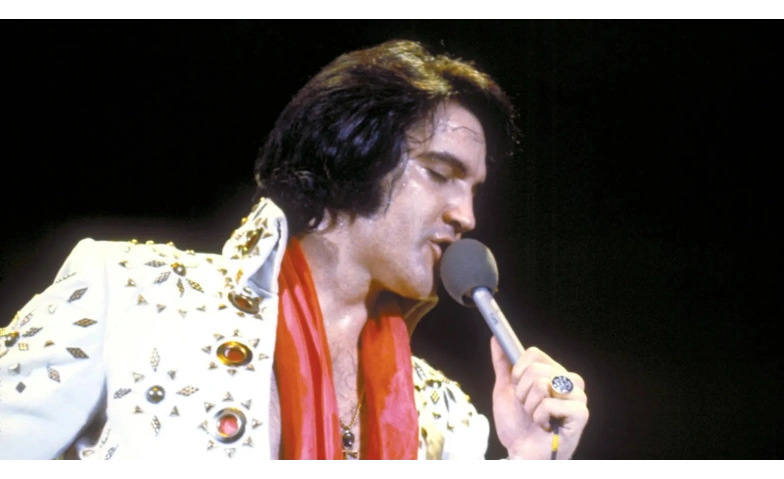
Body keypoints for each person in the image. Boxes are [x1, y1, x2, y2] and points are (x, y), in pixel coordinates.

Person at [0, 39, 589, 463]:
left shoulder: (447, 416)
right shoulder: (130, 292)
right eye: (440, 173)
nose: (467, 215)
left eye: (474, 188)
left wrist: (531, 460)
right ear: (354, 155)